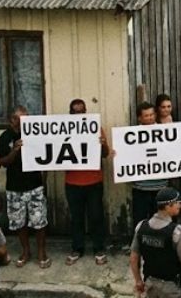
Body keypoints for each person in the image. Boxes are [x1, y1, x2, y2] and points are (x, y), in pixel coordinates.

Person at [130, 188, 181, 298]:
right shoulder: (177, 232)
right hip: (172, 288)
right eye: (177, 202)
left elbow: (133, 258)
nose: (180, 205)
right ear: (168, 206)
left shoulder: (141, 227)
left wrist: (138, 281)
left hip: (150, 284)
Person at [0, 106, 48, 268]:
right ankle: (26, 251)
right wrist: (15, 150)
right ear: (12, 120)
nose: (24, 122)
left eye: (27, 118)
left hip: (34, 184)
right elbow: (3, 162)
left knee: (39, 221)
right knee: (19, 222)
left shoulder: (35, 133)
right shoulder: (5, 137)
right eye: (20, 119)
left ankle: (41, 252)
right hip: (15, 187)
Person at [64, 98, 109, 266]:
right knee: (76, 218)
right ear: (70, 113)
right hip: (72, 182)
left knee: (96, 216)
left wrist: (103, 144)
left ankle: (98, 249)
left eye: (81, 111)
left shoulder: (95, 129)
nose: (78, 114)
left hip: (93, 181)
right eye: (75, 112)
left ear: (86, 112)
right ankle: (77, 248)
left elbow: (105, 154)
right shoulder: (61, 131)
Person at [132, 102, 170, 228]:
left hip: (161, 187)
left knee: (162, 222)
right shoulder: (131, 135)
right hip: (141, 188)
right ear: (139, 118)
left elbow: (173, 152)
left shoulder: (165, 132)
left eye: (152, 114)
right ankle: (139, 246)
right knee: (140, 221)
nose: (150, 117)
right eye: (146, 115)